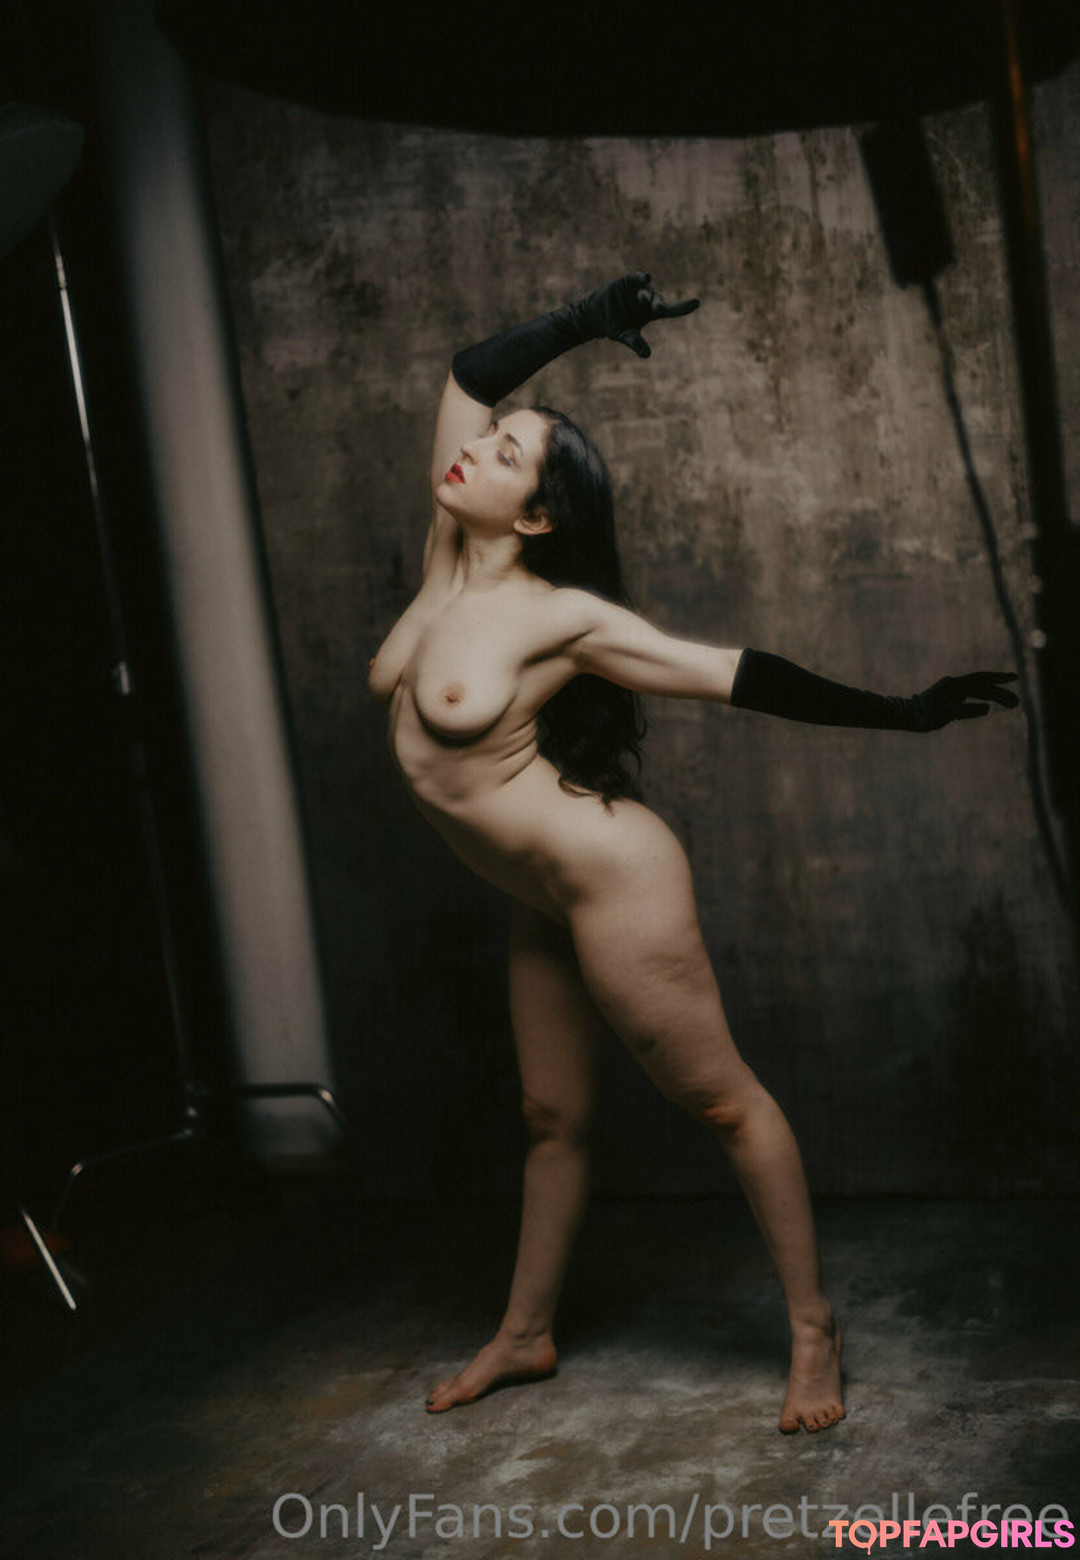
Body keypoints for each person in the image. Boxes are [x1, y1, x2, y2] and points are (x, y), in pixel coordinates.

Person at [367, 273, 1017, 1433]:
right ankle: (524, 1335)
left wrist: (906, 712)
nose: (472, 449)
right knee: (551, 1118)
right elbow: (469, 377)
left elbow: (734, 675)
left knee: (722, 1104)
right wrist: (579, 325)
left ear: (536, 517)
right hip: (535, 890)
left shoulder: (562, 619)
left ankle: (813, 1328)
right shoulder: (445, 550)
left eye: (506, 453)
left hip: (609, 876)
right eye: (488, 440)